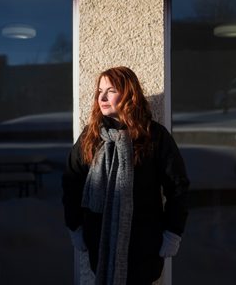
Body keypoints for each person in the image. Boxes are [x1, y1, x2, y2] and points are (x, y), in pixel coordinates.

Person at [62, 66, 189, 285]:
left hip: (143, 242)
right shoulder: (91, 136)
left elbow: (177, 187)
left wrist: (172, 232)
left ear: (129, 93)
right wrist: (75, 226)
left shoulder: (153, 136)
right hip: (99, 240)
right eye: (100, 90)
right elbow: (72, 181)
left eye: (110, 90)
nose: (102, 96)